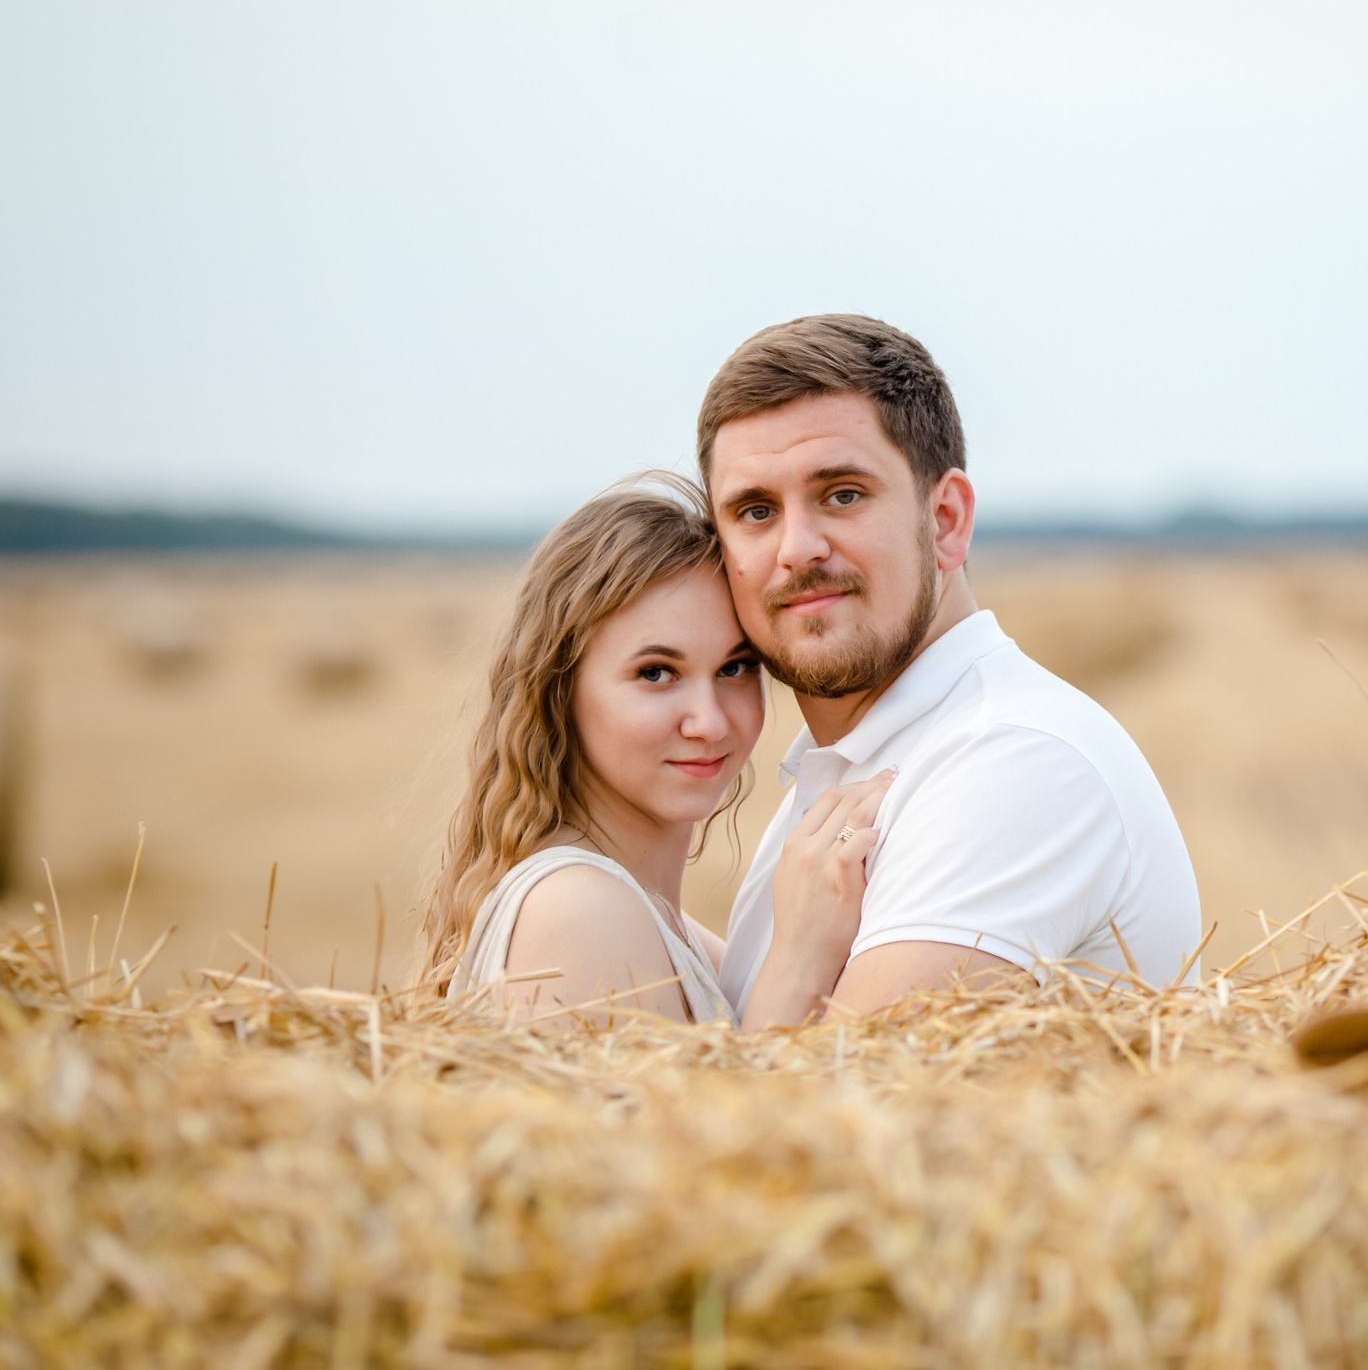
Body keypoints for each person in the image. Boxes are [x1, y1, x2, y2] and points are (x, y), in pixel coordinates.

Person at [701, 314, 1202, 1025]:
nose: (798, 548)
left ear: (945, 520)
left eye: (842, 493)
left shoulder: (1015, 759)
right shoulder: (850, 767)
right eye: (755, 510)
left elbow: (821, 1120)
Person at [419, 473, 887, 1028]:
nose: (710, 722)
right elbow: (727, 1115)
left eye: (734, 668)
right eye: (657, 672)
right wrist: (797, 963)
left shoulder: (663, 926)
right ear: (559, 689)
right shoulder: (577, 912)